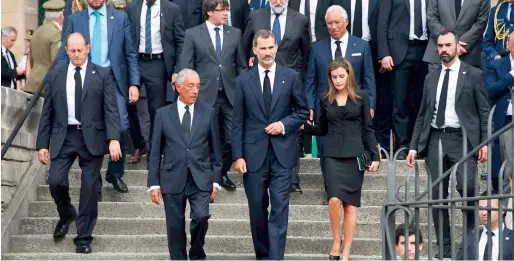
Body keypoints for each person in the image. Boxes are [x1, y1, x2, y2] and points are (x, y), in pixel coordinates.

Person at [406, 30, 490, 258]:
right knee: (437, 195)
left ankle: (470, 244)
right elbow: (422, 114)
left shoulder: (473, 74)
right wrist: (413, 146)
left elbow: (484, 112)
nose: (443, 49)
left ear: (457, 47)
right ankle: (445, 248)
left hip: (463, 139)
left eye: (447, 45)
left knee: (468, 190)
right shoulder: (430, 76)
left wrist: (484, 142)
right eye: (440, 45)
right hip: (435, 138)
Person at [35, 32, 122, 254]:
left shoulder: (102, 74)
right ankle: (66, 213)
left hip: (91, 137)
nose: (76, 54)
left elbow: (111, 110)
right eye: (72, 51)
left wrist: (114, 139)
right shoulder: (55, 75)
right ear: (66, 50)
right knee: (56, 181)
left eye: (80, 50)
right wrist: (42, 144)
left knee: (90, 187)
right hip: (64, 136)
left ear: (87, 48)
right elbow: (48, 113)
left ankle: (83, 237)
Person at [231, 30, 309, 260]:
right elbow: (237, 122)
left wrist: (283, 125)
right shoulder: (243, 80)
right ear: (254, 50)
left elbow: (303, 111)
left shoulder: (291, 76)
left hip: (282, 153)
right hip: (253, 156)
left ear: (277, 48)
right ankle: (263, 256)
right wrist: (238, 156)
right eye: (262, 48)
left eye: (271, 47)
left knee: (279, 208)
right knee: (256, 209)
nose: (267, 52)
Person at [58, 0, 140, 193]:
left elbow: (130, 53)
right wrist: (59, 81)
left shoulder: (120, 18)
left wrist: (134, 83)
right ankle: (94, 180)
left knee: (121, 126)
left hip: (113, 79)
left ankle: (115, 172)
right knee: (90, 127)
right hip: (84, 79)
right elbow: (64, 53)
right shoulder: (74, 20)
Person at [303, 58, 379, 260]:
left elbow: (367, 128)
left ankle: (346, 252)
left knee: (350, 205)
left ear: (349, 76)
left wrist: (375, 155)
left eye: (341, 76)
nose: (338, 80)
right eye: (334, 77)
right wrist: (304, 127)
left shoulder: (362, 97)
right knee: (334, 199)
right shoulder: (324, 98)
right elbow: (322, 128)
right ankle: (336, 240)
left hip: (355, 156)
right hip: (331, 155)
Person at [148, 68, 222, 260]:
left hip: (200, 177)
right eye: (190, 86)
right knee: (174, 226)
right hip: (172, 177)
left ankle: (197, 252)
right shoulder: (163, 114)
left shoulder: (208, 112)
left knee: (201, 216)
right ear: (178, 87)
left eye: (198, 86)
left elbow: (216, 150)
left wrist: (216, 180)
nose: (195, 91)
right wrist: (153, 183)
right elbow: (155, 151)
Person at [304, 5, 375, 203]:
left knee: (353, 144)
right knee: (325, 147)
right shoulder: (317, 48)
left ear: (346, 22)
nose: (333, 27)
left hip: (354, 108)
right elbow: (310, 80)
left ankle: (349, 190)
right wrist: (309, 105)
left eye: (337, 22)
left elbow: (368, 79)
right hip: (326, 109)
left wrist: (371, 105)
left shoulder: (361, 46)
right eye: (329, 23)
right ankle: (331, 189)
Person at [180, 0, 247, 190]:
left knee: (231, 139)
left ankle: (221, 171)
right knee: (205, 138)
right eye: (221, 10)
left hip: (230, 95)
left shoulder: (235, 33)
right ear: (209, 12)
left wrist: (243, 91)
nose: (226, 13)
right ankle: (208, 177)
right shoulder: (193, 34)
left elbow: (241, 65)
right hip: (203, 95)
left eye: (227, 9)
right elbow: (187, 66)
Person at [125, 0, 184, 163]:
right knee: (127, 103)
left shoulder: (172, 9)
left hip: (158, 63)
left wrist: (177, 69)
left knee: (156, 110)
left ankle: (154, 151)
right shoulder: (132, 8)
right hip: (135, 61)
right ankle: (139, 144)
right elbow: (127, 37)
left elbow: (180, 41)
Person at [377, 0, 428, 159]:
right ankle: (402, 145)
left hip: (426, 51)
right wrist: (384, 53)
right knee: (400, 102)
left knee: (422, 102)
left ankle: (419, 145)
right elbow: (382, 23)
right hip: (399, 52)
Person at [242, 0, 311, 75]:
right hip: (260, 76)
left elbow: (306, 54)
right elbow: (245, 49)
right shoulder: (255, 16)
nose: (278, 2)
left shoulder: (300, 20)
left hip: (289, 77)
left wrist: (302, 79)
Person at [423, 0, 490, 72]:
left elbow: (481, 23)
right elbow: (432, 19)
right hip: (439, 55)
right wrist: (449, 42)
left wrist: (460, 44)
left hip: (468, 55)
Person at [485, 30, 514, 193]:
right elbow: (489, 90)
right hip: (505, 122)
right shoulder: (495, 66)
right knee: (502, 172)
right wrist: (511, 76)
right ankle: (505, 213)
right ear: (508, 45)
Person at [456, 191, 514, 260]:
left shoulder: (512, 238)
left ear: (502, 210)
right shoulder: (470, 237)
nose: (483, 213)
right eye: (480, 209)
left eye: (488, 208)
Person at [26, 0, 65, 95]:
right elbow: (56, 63)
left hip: (32, 83)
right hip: (46, 86)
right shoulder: (57, 34)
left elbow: (31, 60)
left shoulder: (37, 32)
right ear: (60, 17)